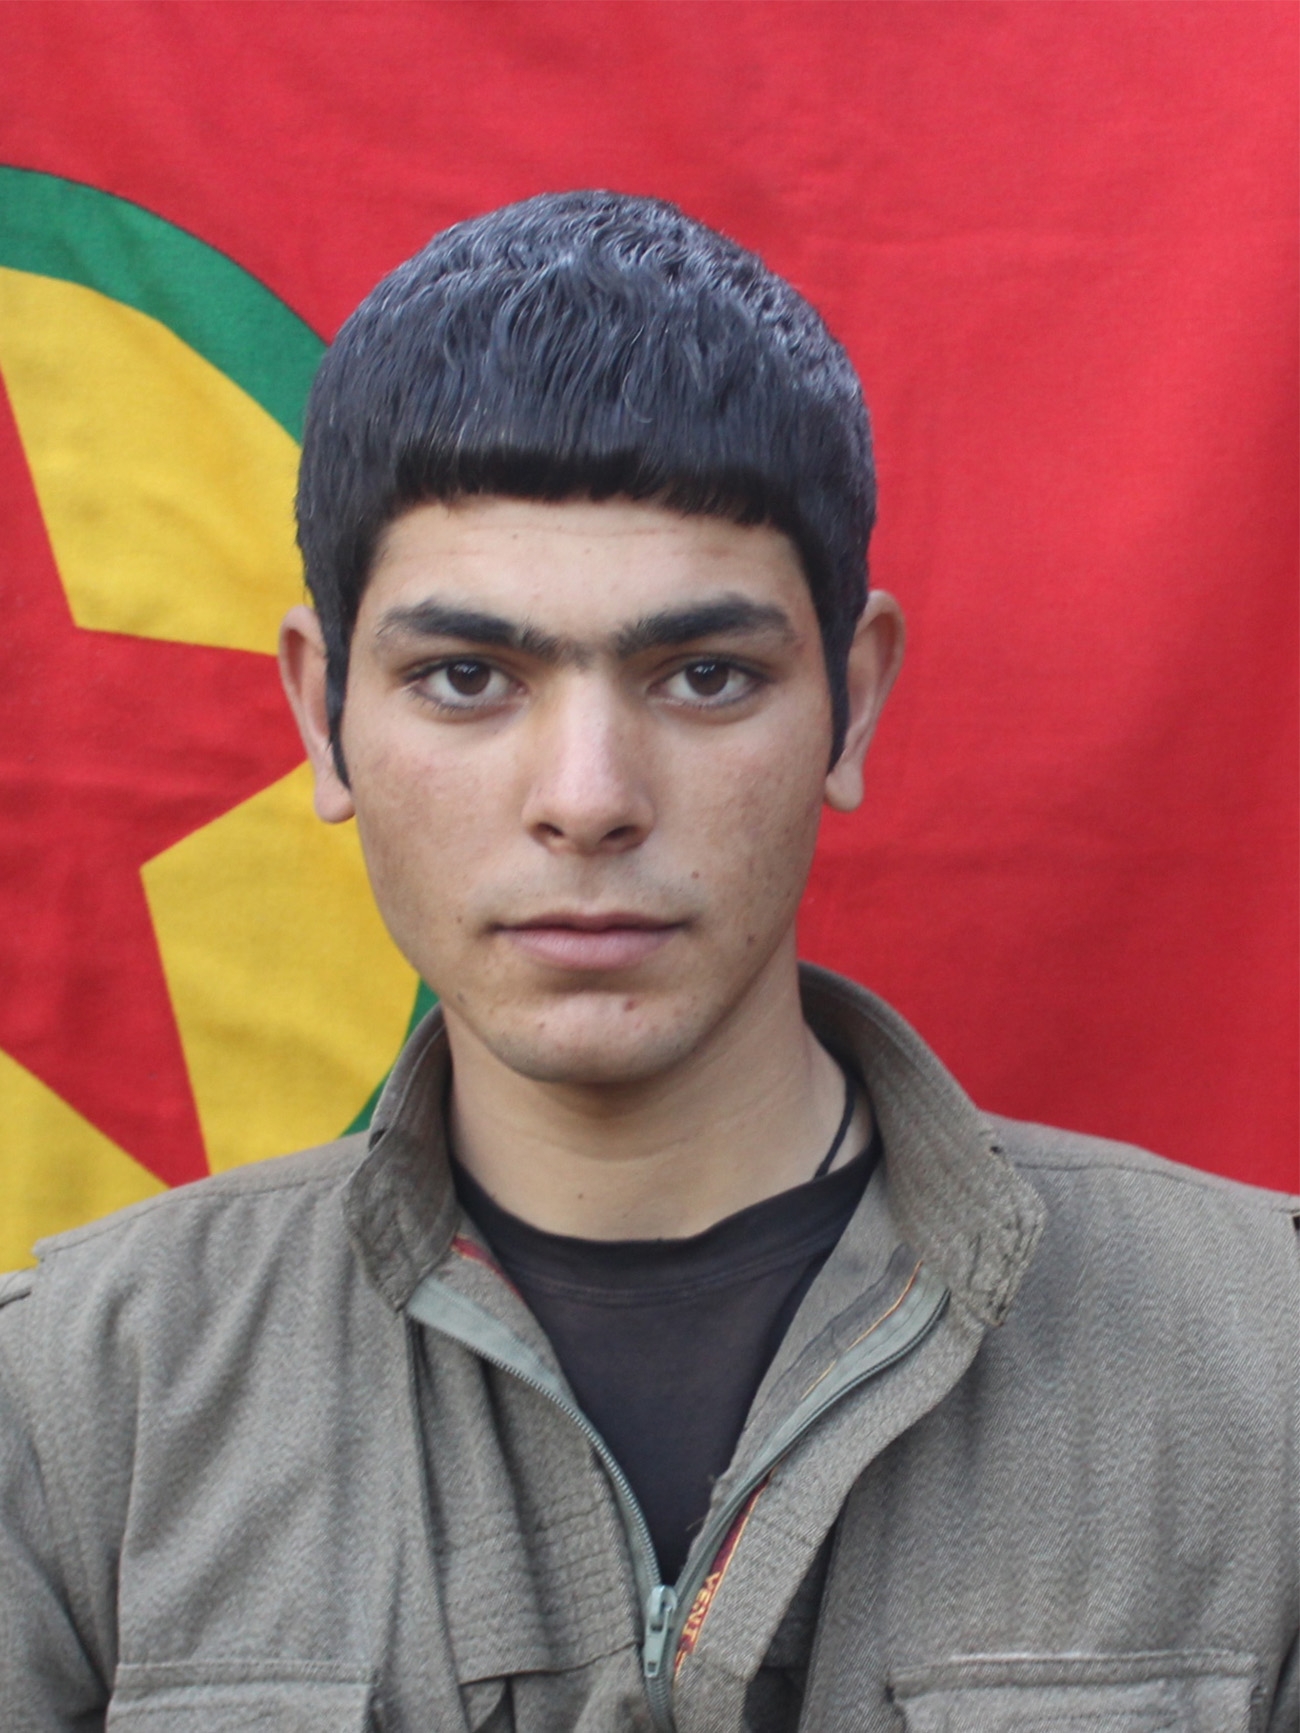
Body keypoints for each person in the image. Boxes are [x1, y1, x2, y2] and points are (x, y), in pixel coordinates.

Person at [0, 190, 1295, 1733]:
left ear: (853, 701)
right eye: (466, 676)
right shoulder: (77, 1408)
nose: (590, 796)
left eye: (705, 675)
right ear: (322, 711)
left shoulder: (1266, 1365)